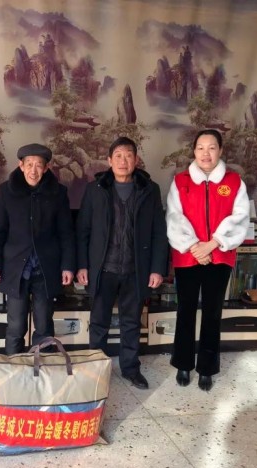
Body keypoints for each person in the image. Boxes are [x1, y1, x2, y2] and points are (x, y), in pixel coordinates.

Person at [76, 137, 168, 389]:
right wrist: (82, 265)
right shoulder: (95, 189)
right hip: (103, 269)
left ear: (136, 160)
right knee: (98, 323)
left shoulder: (149, 189)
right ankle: (95, 369)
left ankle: (130, 368)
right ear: (109, 160)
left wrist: (157, 268)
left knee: (131, 323)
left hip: (135, 269)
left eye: (128, 155)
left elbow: (159, 232)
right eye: (118, 155)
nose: (123, 160)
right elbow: (82, 230)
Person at [166, 129, 250, 391]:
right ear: (194, 151)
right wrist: (194, 247)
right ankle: (183, 364)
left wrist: (213, 243)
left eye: (212, 147)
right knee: (186, 311)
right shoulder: (180, 181)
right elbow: (174, 217)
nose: (206, 153)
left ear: (220, 151)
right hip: (187, 256)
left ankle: (207, 369)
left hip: (219, 255)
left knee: (213, 313)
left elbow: (240, 217)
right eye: (201, 148)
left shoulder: (234, 182)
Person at [0, 143, 75, 354]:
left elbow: (66, 233)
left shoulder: (58, 193)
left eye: (39, 165)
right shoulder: (6, 191)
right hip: (16, 267)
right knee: (16, 325)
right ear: (21, 165)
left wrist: (68, 266)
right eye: (29, 165)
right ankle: (14, 367)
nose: (33, 171)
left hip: (46, 268)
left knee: (44, 324)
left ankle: (42, 367)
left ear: (46, 168)